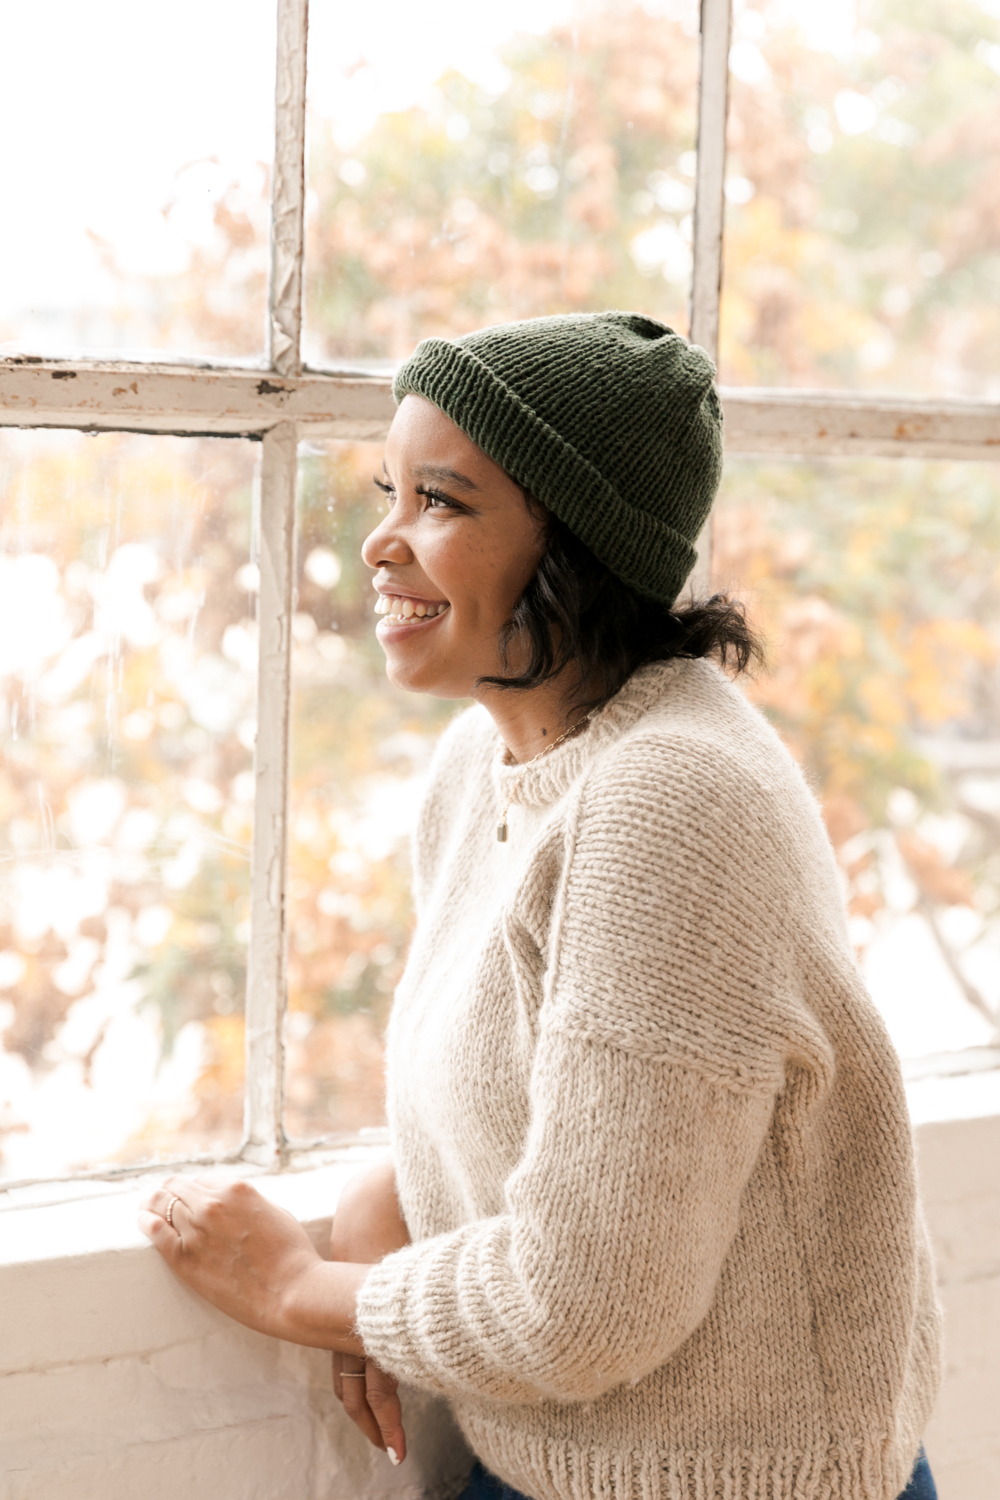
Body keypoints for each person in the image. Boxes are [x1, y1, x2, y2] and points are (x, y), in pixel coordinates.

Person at [140, 313, 941, 1500]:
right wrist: (391, 1185)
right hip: (540, 1463)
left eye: (442, 503)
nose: (380, 541)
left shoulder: (672, 798)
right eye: (388, 490)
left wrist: (299, 1293)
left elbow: (585, 1305)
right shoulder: (481, 768)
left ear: (577, 545)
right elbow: (572, 1107)